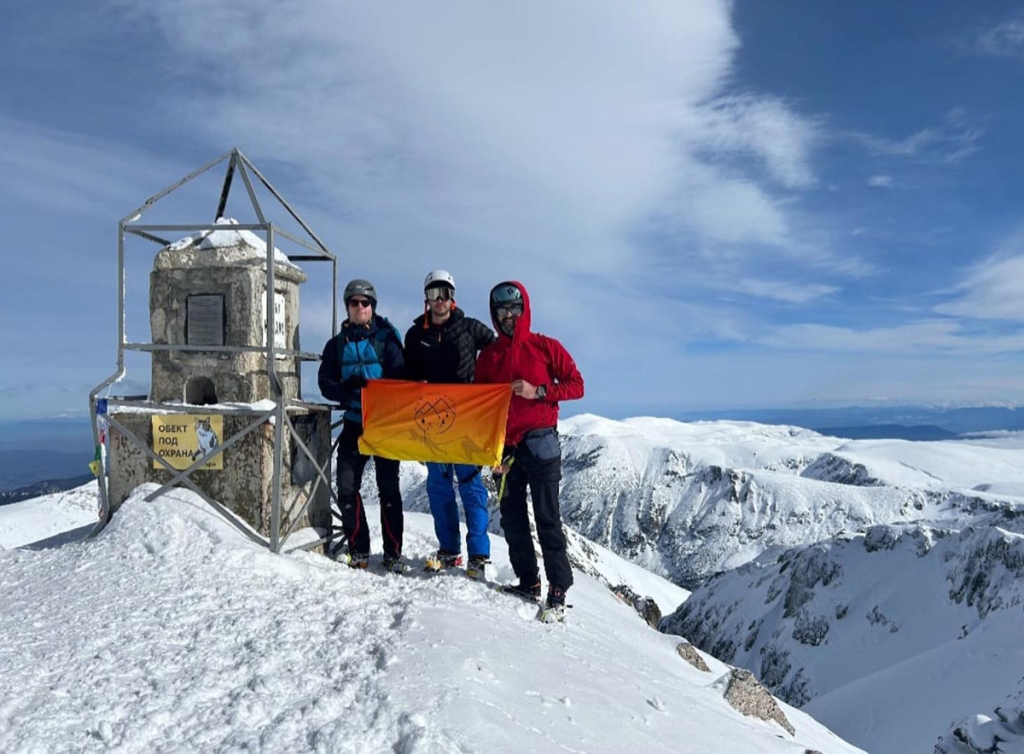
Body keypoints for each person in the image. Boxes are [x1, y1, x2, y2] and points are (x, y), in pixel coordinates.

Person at [475, 281, 584, 620]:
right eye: (502, 311)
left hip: (541, 442)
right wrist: (490, 455)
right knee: (512, 518)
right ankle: (528, 581)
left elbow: (576, 385)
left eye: (514, 309)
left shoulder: (545, 347)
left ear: (525, 310)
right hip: (506, 449)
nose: (508, 316)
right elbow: (481, 406)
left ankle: (558, 589)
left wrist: (538, 391)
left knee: (547, 517)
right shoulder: (490, 356)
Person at [404, 269, 496, 575]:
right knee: (438, 486)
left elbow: (497, 350)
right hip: (432, 421)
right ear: (426, 299)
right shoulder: (416, 335)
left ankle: (479, 554)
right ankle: (449, 549)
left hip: (467, 419)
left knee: (471, 486)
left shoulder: (469, 328)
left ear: (452, 297)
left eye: (444, 293)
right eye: (433, 293)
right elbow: (406, 372)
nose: (439, 300)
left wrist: (488, 383)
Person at [318, 278, 407, 572]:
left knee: (389, 489)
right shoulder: (336, 346)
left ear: (373, 307)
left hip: (383, 423)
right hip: (355, 422)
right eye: (354, 303)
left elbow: (400, 377)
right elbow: (325, 383)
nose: (360, 307)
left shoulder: (386, 340)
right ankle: (359, 548)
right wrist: (348, 391)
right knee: (346, 487)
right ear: (348, 307)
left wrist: (373, 389)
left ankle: (393, 553)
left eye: (365, 303)